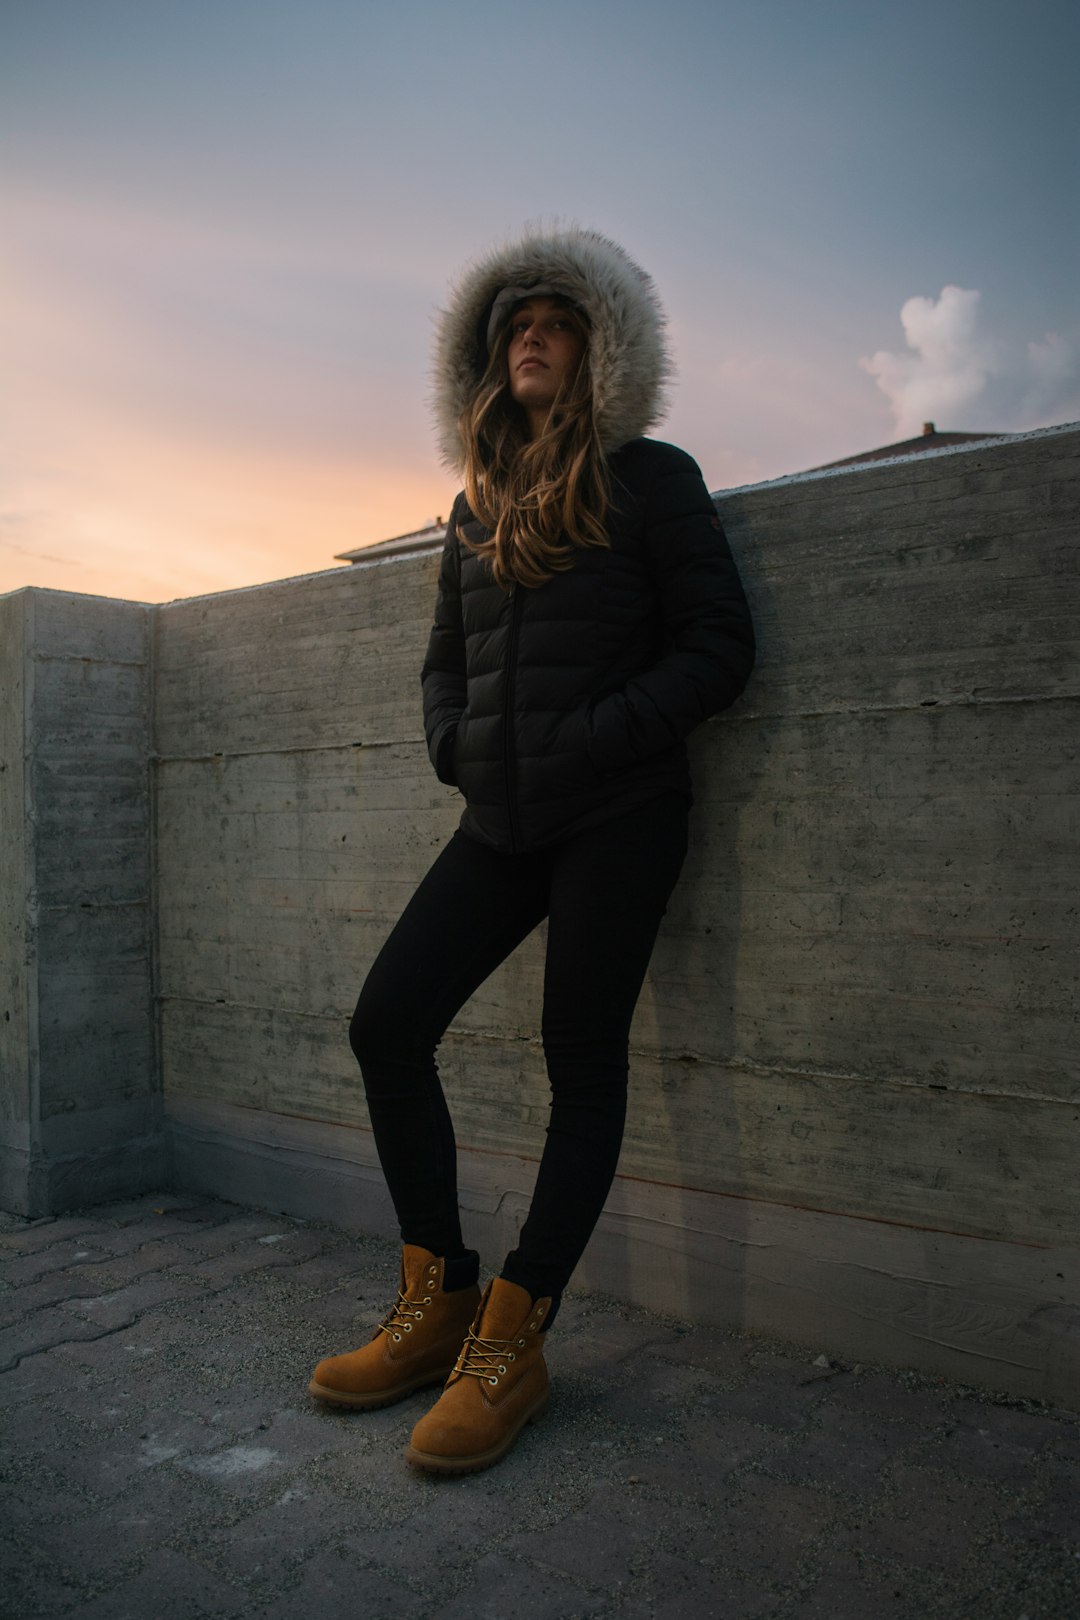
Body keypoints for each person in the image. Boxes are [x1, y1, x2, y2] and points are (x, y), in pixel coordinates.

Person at [308, 226, 755, 1475]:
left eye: (555, 323)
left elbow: (721, 649)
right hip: (498, 819)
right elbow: (442, 665)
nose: (531, 339)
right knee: (386, 1022)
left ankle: (514, 1340)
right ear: (486, 362)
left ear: (599, 350)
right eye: (514, 327)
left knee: (581, 1061)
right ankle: (439, 1290)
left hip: (619, 814)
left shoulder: (654, 479)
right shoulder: (474, 509)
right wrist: (454, 742)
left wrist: (599, 738)